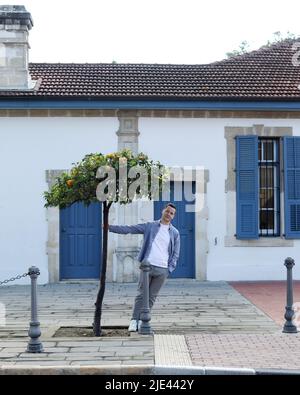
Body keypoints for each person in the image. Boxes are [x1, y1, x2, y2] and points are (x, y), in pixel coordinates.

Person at [108, 203, 180, 332]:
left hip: (162, 269)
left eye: (171, 213)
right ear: (163, 211)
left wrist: (169, 268)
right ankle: (134, 320)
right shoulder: (150, 226)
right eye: (167, 211)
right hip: (148, 266)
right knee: (141, 295)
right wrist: (110, 228)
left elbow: (175, 253)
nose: (168, 214)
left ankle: (143, 320)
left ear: (173, 216)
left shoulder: (174, 233)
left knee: (151, 297)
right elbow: (130, 229)